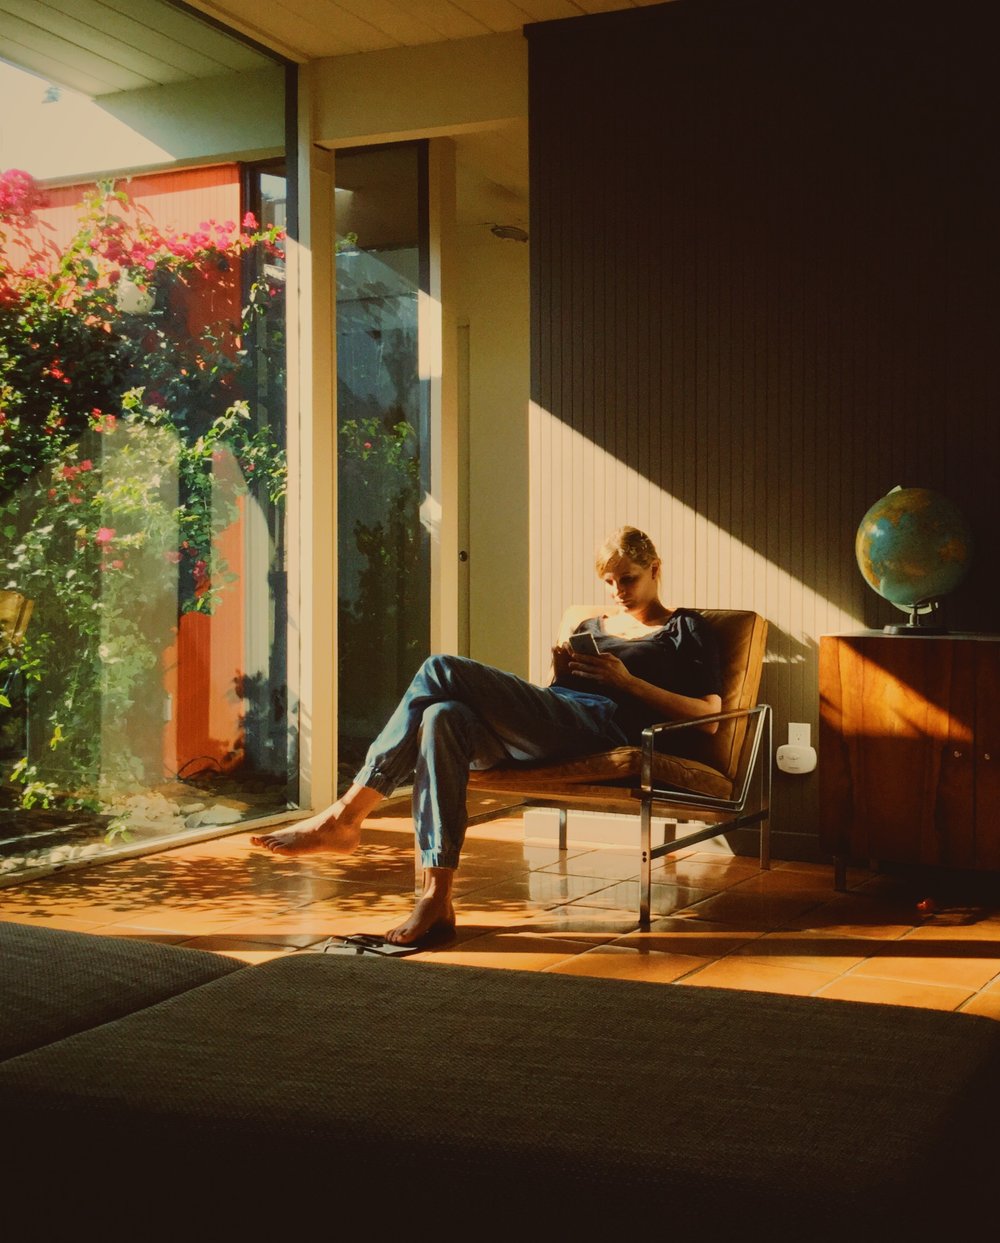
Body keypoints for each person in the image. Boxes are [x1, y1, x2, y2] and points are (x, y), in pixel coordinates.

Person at [251, 526, 722, 946]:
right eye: (609, 581)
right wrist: (561, 678)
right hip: (558, 721)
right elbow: (555, 701)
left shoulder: (685, 628)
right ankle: (437, 895)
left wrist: (626, 682)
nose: (617, 591)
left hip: (604, 728)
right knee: (442, 716)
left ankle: (345, 817)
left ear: (655, 569)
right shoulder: (590, 628)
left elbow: (710, 715)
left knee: (439, 668)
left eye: (628, 579)